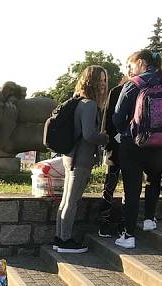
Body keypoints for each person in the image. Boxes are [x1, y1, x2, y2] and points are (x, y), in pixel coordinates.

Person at [54, 66, 109, 254]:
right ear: (91, 81)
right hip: (81, 159)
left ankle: (59, 237)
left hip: (70, 156)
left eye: (104, 80)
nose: (103, 84)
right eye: (100, 80)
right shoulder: (90, 105)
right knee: (72, 200)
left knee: (66, 200)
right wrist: (105, 137)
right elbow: (88, 135)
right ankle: (66, 241)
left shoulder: (77, 101)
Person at [113, 49, 162, 249]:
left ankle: (129, 235)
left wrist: (125, 131)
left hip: (133, 144)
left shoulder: (133, 84)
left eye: (131, 65)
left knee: (132, 190)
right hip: (159, 144)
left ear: (141, 62)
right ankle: (150, 219)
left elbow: (117, 117)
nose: (130, 69)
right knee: (154, 179)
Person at [98, 78, 127, 237]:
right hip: (115, 148)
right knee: (109, 186)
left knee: (130, 187)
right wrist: (111, 138)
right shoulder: (116, 91)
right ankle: (104, 222)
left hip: (130, 147)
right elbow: (107, 119)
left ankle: (124, 223)